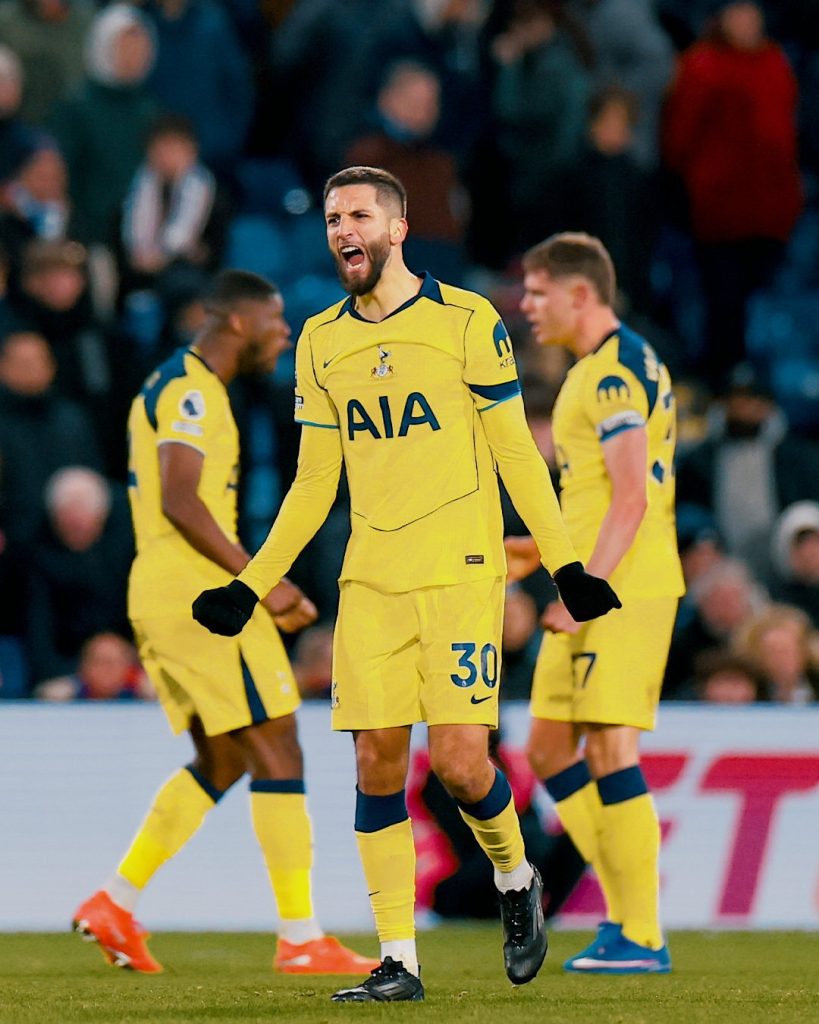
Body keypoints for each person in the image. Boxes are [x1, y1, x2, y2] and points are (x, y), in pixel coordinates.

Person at [191, 166, 620, 1003]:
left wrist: (567, 566)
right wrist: (249, 586)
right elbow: (315, 483)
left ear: (395, 228)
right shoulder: (318, 339)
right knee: (375, 766)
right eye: (329, 218)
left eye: (356, 214)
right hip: (373, 582)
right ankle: (399, 959)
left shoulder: (466, 322)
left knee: (462, 767)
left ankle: (513, 877)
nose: (340, 229)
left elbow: (514, 456)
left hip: (460, 574)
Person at [72, 269, 378, 978]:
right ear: (237, 322)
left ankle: (114, 902)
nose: (284, 335)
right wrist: (257, 584)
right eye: (276, 322)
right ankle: (300, 937)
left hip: (168, 588)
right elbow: (182, 497)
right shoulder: (190, 390)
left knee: (227, 757)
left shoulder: (176, 384)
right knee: (279, 746)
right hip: (198, 592)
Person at [508, 232, 684, 973]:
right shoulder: (601, 369)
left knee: (611, 748)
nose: (525, 305)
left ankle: (640, 933)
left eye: (537, 292)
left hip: (621, 589)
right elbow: (589, 506)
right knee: (548, 748)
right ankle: (625, 913)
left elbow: (630, 497)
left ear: (580, 294)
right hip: (595, 582)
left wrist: (583, 594)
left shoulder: (612, 375)